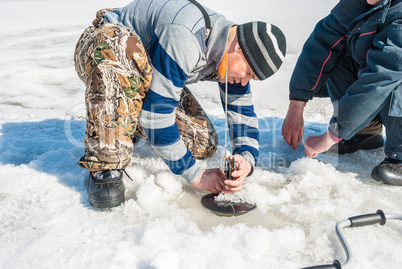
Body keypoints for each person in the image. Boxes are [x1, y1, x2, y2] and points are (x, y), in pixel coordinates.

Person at [74, 0, 286, 208]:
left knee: (202, 142)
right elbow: (156, 114)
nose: (245, 81)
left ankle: (130, 121)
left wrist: (246, 161)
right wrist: (194, 174)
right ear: (239, 47)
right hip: (102, 48)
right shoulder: (186, 35)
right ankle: (106, 165)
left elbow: (242, 111)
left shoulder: (229, 55)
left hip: (147, 71)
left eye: (252, 79)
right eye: (248, 72)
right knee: (119, 43)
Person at [282, 0, 402, 185]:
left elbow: (380, 78)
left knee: (393, 78)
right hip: (380, 81)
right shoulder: (358, 4)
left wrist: (332, 135)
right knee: (336, 55)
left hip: (390, 76)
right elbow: (321, 44)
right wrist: (296, 104)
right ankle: (364, 131)